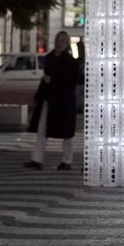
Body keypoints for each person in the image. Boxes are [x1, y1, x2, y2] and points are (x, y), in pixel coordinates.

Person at [24, 31, 81, 171]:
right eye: (58, 40)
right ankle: (36, 159)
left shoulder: (70, 61)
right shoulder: (49, 57)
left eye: (62, 41)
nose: (59, 43)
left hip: (64, 101)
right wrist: (39, 95)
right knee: (42, 128)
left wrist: (52, 80)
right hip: (49, 98)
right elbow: (46, 77)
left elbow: (72, 80)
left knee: (67, 132)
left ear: (67, 44)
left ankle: (67, 161)